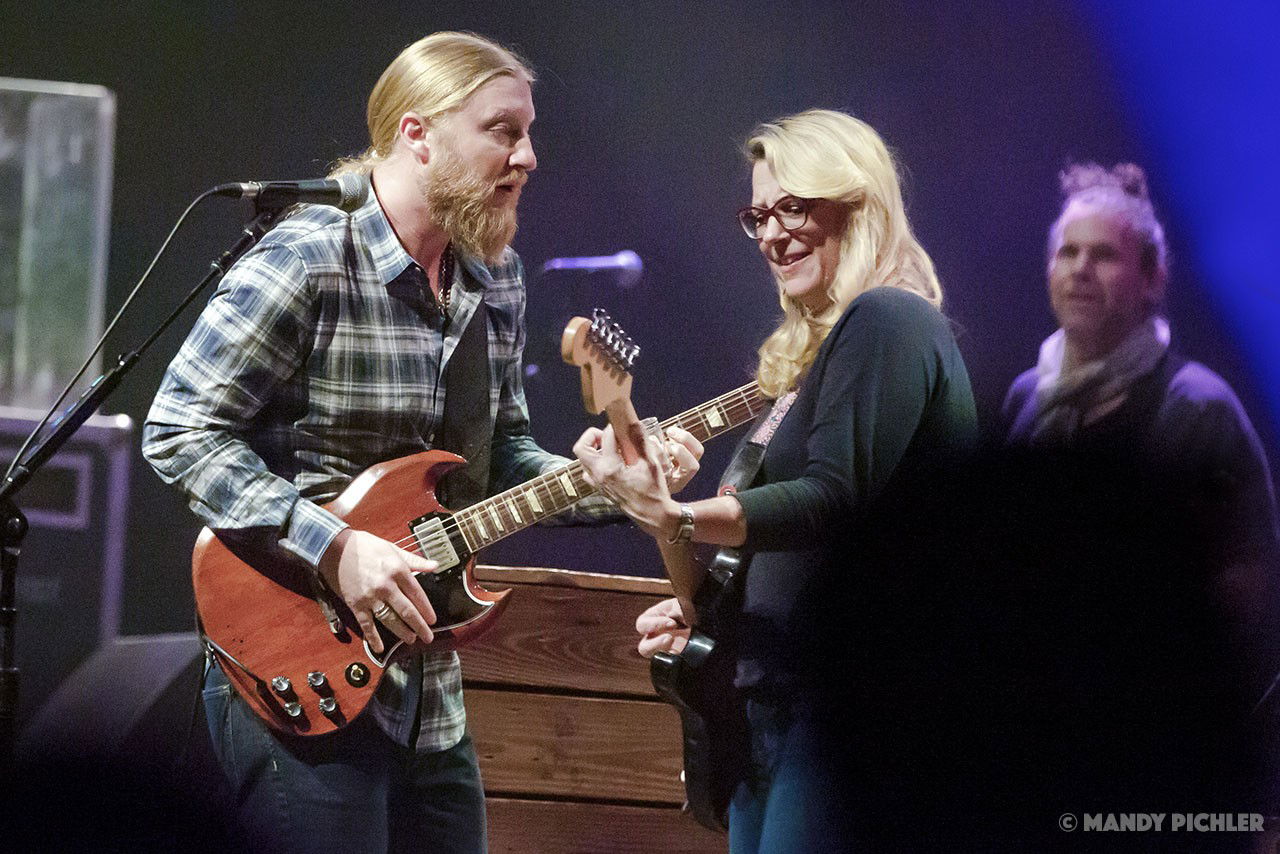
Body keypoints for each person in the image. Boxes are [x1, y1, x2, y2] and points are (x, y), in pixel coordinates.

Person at [142, 32, 698, 854]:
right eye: (503, 131)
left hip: (430, 699)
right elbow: (179, 428)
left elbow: (498, 458)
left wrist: (605, 482)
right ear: (417, 134)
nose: (529, 157)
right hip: (297, 677)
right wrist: (335, 548)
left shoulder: (494, 276)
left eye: (529, 133)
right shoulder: (307, 257)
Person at [575, 109, 977, 852]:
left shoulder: (889, 319)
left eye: (793, 207)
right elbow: (736, 576)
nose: (771, 234)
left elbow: (832, 499)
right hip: (776, 709)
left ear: (856, 204)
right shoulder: (806, 369)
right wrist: (667, 527)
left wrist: (681, 516)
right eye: (758, 216)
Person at [998, 162, 1280, 826]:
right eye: (1067, 252)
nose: (1080, 270)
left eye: (1103, 255)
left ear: (1152, 278)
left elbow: (1246, 584)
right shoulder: (1026, 398)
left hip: (1150, 748)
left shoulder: (1196, 408)